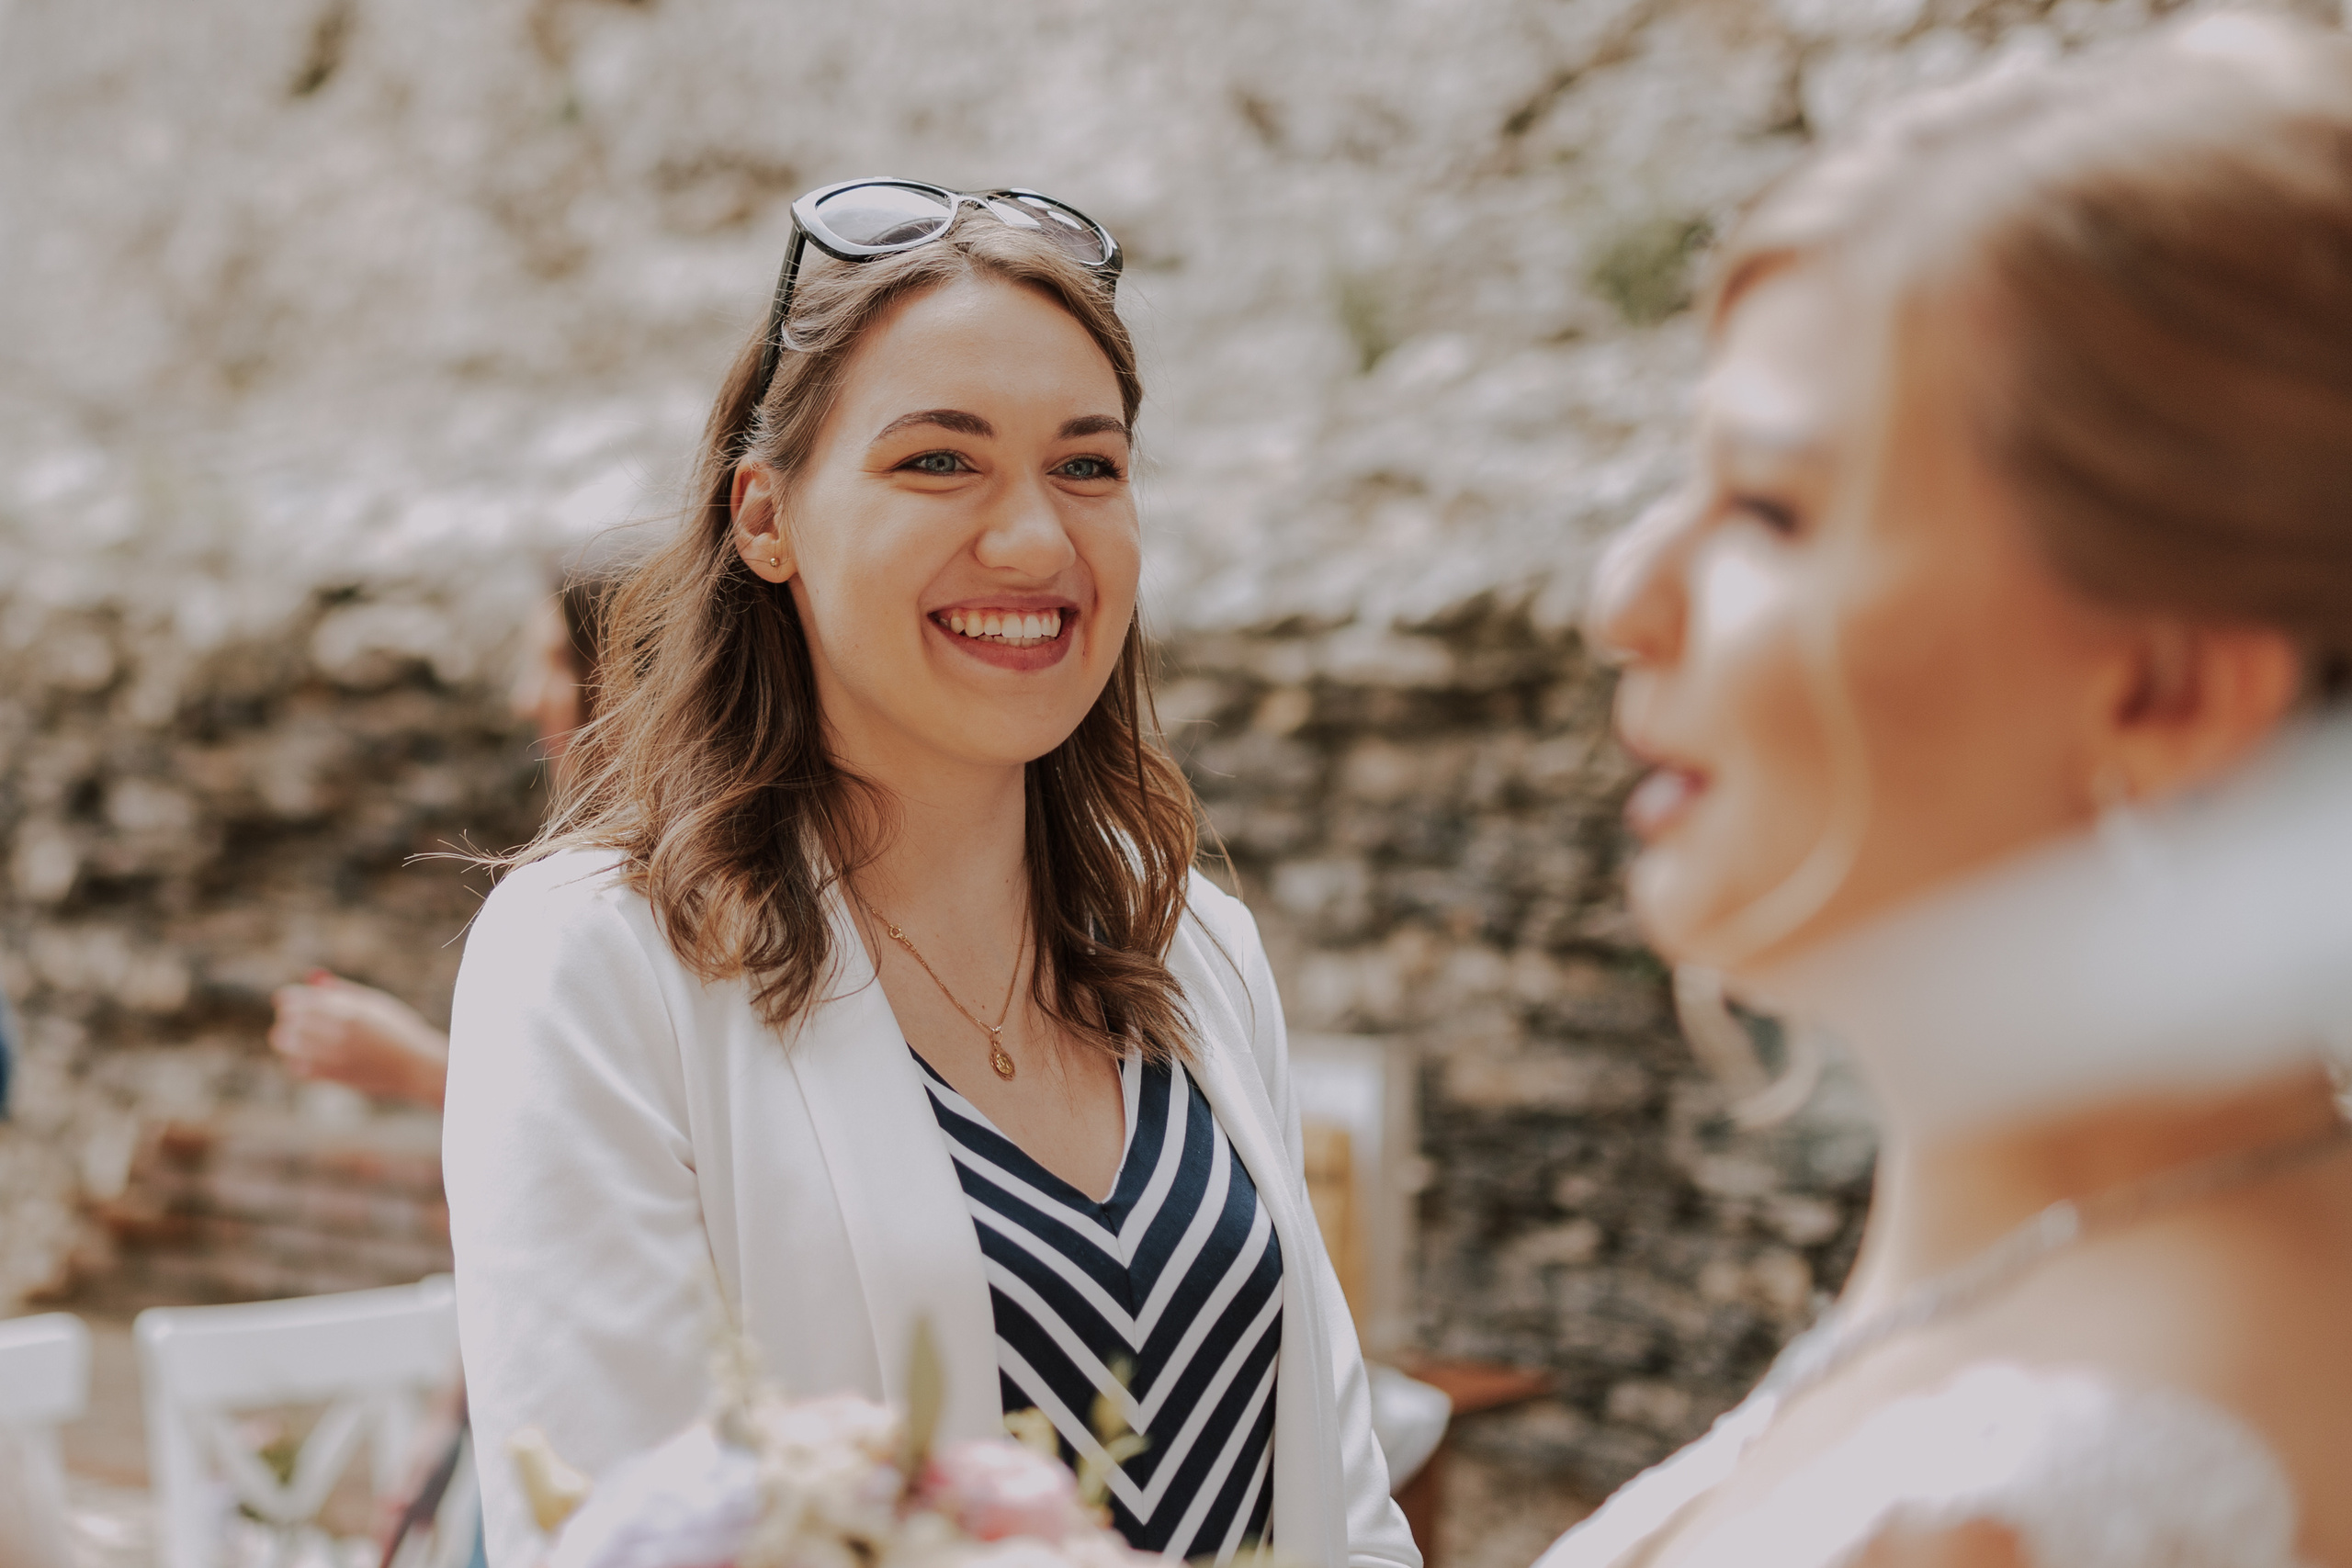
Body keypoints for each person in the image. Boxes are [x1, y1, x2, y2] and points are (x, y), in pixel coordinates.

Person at [442, 185, 1416, 1568]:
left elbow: (1343, 1494)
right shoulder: (594, 960)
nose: (1035, 540)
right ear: (765, 518)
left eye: (1089, 467)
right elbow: (617, 1531)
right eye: (939, 464)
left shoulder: (1194, 942)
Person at [1536, 16, 2352, 1567]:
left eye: (1771, 509)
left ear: (2167, 692)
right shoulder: (2147, 1261)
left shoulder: (2007, 1508)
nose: (1623, 591)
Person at [269, 560, 618, 1106]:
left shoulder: (611, 901)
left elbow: (600, 1125)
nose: (526, 699)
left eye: (558, 661)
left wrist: (416, 1066)